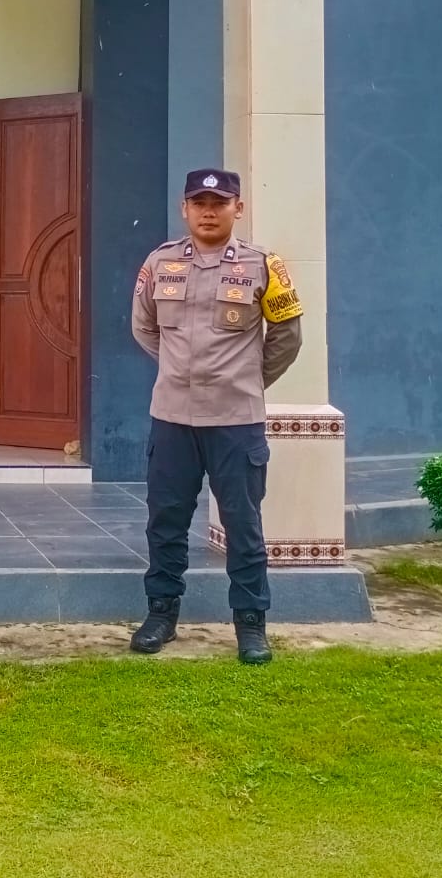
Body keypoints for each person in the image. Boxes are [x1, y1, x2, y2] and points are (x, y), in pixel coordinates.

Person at [129, 167, 303, 665]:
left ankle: (251, 624)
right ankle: (161, 614)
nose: (209, 212)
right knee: (165, 521)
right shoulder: (159, 262)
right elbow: (144, 327)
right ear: (184, 209)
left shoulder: (265, 265)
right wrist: (181, 373)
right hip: (173, 417)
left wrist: (244, 379)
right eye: (199, 203)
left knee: (243, 525)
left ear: (237, 209)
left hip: (235, 420)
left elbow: (288, 336)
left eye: (220, 203)